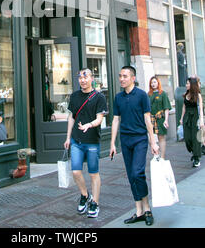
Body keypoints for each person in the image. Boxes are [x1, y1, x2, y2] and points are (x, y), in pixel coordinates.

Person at [110, 66, 159, 226]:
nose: (121, 79)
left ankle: (147, 208)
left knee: (138, 173)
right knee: (131, 176)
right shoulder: (118, 97)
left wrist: (153, 141)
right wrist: (112, 143)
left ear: (133, 78)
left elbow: (148, 119)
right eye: (120, 76)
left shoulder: (142, 95)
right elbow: (116, 120)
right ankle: (139, 211)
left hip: (140, 139)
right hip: (125, 140)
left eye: (124, 76)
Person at [64, 68, 107, 218]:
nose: (82, 80)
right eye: (80, 77)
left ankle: (95, 202)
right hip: (77, 140)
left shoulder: (99, 97)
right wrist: (68, 137)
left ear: (91, 78)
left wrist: (90, 125)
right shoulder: (75, 96)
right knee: (76, 171)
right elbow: (71, 117)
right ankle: (85, 195)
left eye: (85, 77)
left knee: (93, 173)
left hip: (92, 141)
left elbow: (100, 118)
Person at [179, 76, 204, 168]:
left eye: (188, 83)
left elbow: (201, 109)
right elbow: (184, 107)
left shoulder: (198, 95)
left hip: (195, 117)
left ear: (192, 84)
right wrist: (181, 119)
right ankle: (195, 152)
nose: (186, 85)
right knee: (187, 138)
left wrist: (201, 120)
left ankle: (196, 158)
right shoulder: (186, 95)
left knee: (195, 138)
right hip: (187, 118)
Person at [148, 76, 172, 159]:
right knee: (151, 138)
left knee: (161, 137)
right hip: (151, 119)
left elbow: (166, 108)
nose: (153, 84)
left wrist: (166, 120)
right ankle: (155, 154)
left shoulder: (163, 94)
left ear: (158, 83)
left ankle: (162, 157)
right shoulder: (149, 94)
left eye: (154, 82)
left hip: (160, 119)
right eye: (151, 82)